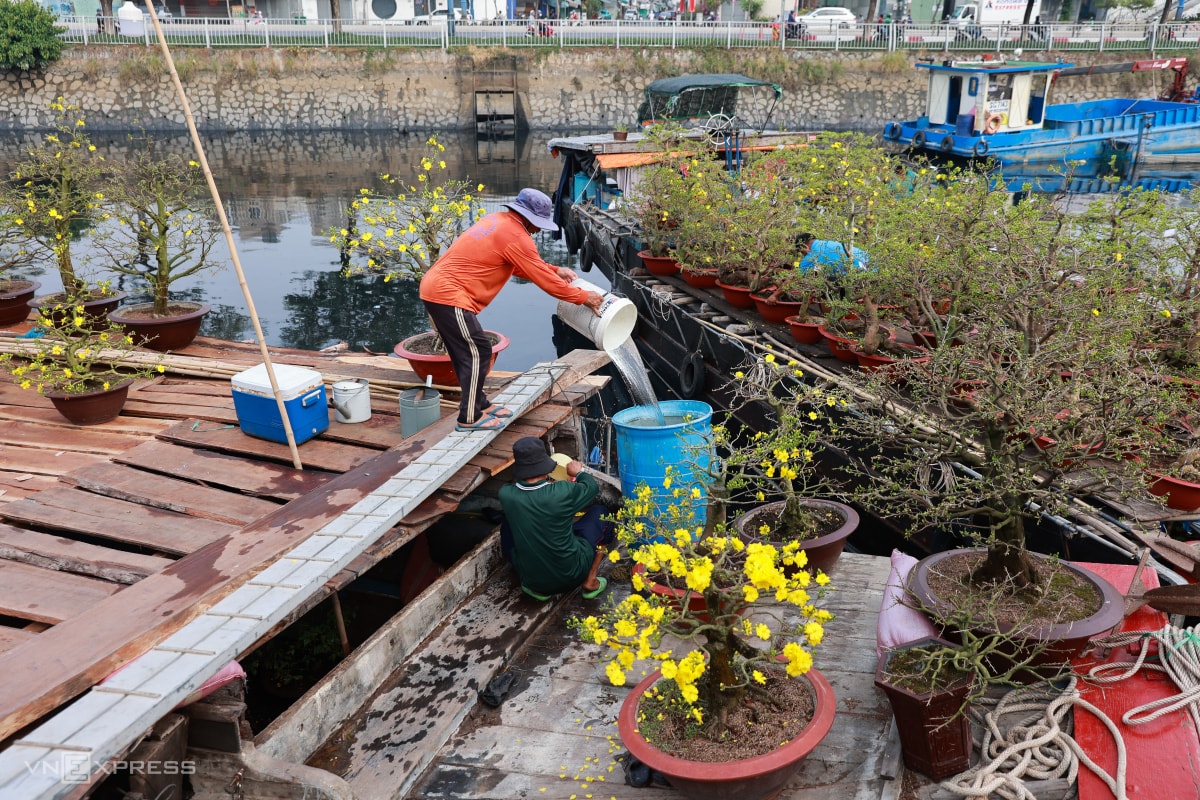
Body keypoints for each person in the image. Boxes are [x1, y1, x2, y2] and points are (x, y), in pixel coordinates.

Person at [419, 188, 604, 432]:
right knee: (478, 351)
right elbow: (547, 284)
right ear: (528, 218)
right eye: (538, 224)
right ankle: (469, 417)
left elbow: (516, 265)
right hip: (448, 295)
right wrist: (584, 297)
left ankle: (480, 403)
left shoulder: (498, 221)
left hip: (438, 290)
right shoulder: (516, 236)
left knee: (468, 352)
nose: (538, 230)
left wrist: (554, 270)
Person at [499, 437, 614, 601]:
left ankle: (538, 590)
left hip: (533, 581)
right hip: (573, 574)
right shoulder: (561, 491)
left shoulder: (506, 494)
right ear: (545, 468)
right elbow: (591, 487)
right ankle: (591, 580)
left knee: (508, 524)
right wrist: (579, 472)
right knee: (601, 513)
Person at [795, 232, 869, 275]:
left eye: (803, 253)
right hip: (870, 269)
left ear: (804, 246)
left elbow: (798, 277)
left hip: (857, 279)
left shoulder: (812, 255)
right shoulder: (831, 243)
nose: (804, 256)